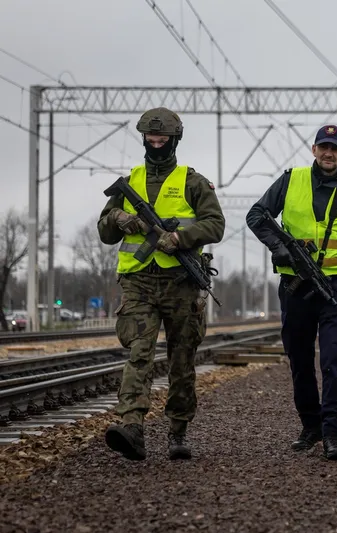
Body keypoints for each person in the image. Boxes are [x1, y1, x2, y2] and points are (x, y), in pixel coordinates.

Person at [97, 107, 225, 461]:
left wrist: (180, 238)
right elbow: (104, 229)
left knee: (181, 361)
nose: (155, 145)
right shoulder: (131, 180)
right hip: (138, 282)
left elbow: (215, 224)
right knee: (139, 353)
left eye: (162, 140)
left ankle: (178, 431)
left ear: (174, 140)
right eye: (150, 140)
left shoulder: (193, 182)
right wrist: (119, 217)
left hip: (181, 283)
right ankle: (132, 427)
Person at [246, 125, 337, 461]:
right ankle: (311, 425)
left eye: (335, 148)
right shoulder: (291, 181)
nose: (328, 153)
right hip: (296, 286)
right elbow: (256, 215)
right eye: (323, 147)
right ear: (314, 149)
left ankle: (334, 432)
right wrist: (278, 247)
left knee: (335, 358)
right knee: (299, 359)